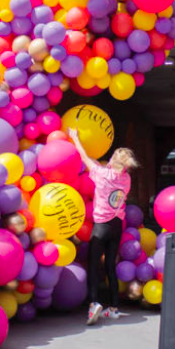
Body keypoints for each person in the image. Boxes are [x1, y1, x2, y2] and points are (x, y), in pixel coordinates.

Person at [68, 128, 139, 325]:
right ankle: (114, 308)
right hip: (117, 225)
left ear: (114, 159)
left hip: (101, 225)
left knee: (93, 265)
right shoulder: (126, 179)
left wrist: (75, 137)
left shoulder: (101, 174)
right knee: (110, 266)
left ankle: (94, 304)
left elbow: (84, 157)